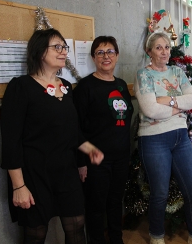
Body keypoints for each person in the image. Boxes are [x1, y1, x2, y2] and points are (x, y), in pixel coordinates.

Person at [0, 29, 104, 244]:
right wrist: (19, 186)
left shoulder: (65, 87)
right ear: (39, 52)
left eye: (64, 47)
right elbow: (11, 141)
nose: (63, 51)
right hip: (33, 174)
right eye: (57, 47)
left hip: (65, 171)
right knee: (36, 233)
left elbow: (71, 130)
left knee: (76, 225)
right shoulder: (21, 87)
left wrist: (88, 149)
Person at [134, 32, 192, 244]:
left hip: (180, 138)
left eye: (166, 47)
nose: (164, 51)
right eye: (158, 47)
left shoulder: (177, 72)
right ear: (149, 51)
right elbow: (150, 109)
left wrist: (166, 100)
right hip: (153, 139)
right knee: (160, 193)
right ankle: (156, 236)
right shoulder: (144, 75)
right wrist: (179, 107)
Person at [73, 36, 133, 243]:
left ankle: (117, 239)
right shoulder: (85, 87)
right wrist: (82, 162)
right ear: (93, 57)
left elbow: (126, 119)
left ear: (117, 56)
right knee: (96, 207)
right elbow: (75, 128)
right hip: (96, 161)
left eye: (110, 52)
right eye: (100, 52)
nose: (106, 56)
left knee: (116, 202)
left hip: (121, 158)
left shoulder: (122, 85)